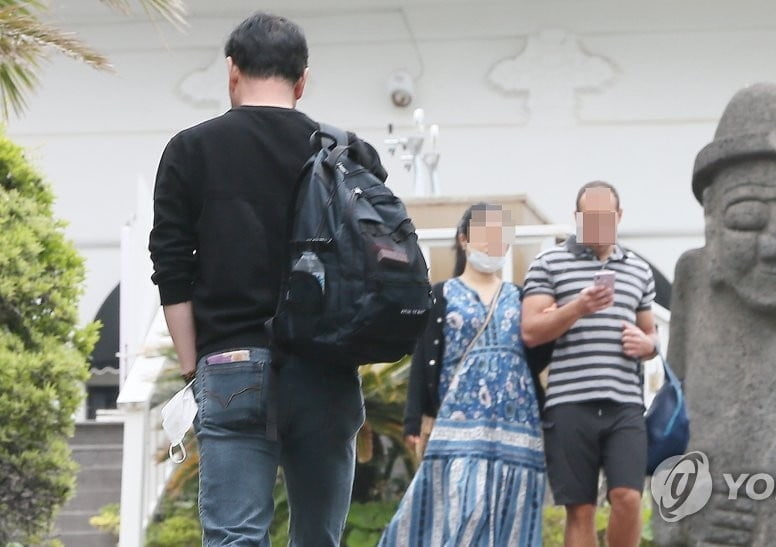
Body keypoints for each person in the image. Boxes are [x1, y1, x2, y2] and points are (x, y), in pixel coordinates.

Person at [148, 12, 386, 546]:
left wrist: (194, 366)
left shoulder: (190, 149)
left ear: (232, 72)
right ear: (302, 81)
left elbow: (171, 266)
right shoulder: (344, 151)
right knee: (319, 539)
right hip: (326, 368)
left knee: (234, 539)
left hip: (231, 365)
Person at [381, 203, 546, 546]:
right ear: (464, 240)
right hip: (458, 423)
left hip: (517, 426)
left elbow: (538, 353)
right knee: (459, 507)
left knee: (511, 512)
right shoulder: (441, 295)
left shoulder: (519, 297)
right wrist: (413, 420)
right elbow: (425, 356)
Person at [521, 181, 659, 547]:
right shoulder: (548, 263)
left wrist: (648, 345)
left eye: (605, 217)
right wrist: (578, 307)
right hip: (568, 402)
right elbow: (531, 331)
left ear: (619, 217)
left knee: (628, 497)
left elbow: (651, 334)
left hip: (625, 402)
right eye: (589, 217)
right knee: (580, 509)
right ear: (577, 218)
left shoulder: (639, 270)